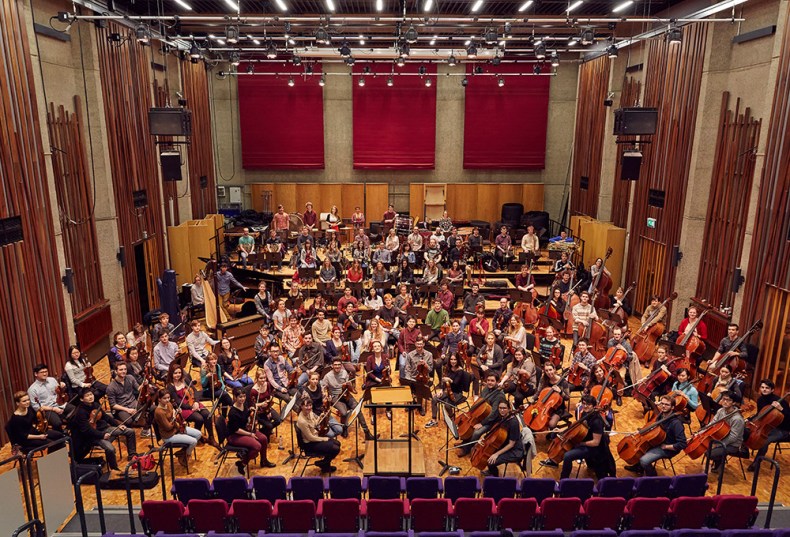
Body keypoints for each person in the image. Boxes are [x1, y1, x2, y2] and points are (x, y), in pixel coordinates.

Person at [71, 388, 137, 470]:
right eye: (87, 396)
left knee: (130, 431)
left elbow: (106, 417)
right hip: (92, 436)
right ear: (81, 399)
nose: (90, 397)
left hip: (104, 429)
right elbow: (87, 430)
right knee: (110, 449)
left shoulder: (95, 405)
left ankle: (132, 455)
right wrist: (102, 435)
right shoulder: (80, 412)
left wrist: (118, 424)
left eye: (91, 394)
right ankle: (114, 470)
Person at [623, 394, 687, 475]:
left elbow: (682, 444)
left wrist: (666, 446)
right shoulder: (661, 415)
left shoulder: (676, 423)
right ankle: (639, 468)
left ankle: (653, 478)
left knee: (644, 460)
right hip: (657, 441)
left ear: (672, 407)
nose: (663, 406)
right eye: (662, 403)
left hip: (667, 447)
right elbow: (653, 427)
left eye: (667, 405)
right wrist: (640, 432)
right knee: (640, 449)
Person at [556, 395, 615, 479]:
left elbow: (595, 442)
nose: (586, 406)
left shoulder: (597, 421)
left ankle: (563, 480)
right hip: (584, 442)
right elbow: (580, 427)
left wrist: (580, 443)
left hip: (594, 449)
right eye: (584, 403)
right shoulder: (585, 413)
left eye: (589, 404)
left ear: (594, 405)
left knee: (567, 456)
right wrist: (565, 431)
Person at [167, 363, 218, 448]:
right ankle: (196, 437)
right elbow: (179, 402)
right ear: (171, 373)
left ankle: (211, 438)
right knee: (199, 419)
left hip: (193, 402)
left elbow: (195, 391)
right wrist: (191, 407)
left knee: (207, 415)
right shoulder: (170, 386)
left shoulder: (185, 380)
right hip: (183, 408)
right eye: (175, 373)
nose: (177, 375)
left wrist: (197, 402)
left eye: (179, 372)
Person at [322, 358, 375, 439]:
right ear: (332, 366)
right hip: (335, 397)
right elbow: (323, 388)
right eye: (335, 365)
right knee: (344, 413)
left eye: (339, 365)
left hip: (346, 394)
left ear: (341, 365)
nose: (337, 366)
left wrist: (349, 384)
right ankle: (344, 428)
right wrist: (326, 395)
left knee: (358, 409)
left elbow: (348, 385)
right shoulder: (327, 376)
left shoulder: (344, 372)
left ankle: (366, 432)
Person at [227, 388, 276, 475]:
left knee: (264, 439)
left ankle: (263, 460)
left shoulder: (244, 404)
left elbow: (247, 415)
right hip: (235, 435)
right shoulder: (232, 413)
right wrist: (250, 434)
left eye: (244, 396)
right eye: (240, 397)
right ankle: (242, 463)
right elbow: (236, 429)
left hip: (247, 429)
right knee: (257, 446)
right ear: (235, 397)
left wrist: (252, 413)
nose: (242, 399)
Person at [456, 373, 507, 456]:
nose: (489, 382)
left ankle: (467, 449)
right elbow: (479, 400)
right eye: (488, 380)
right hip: (481, 415)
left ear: (497, 382)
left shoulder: (499, 396)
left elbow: (494, 414)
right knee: (468, 425)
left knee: (476, 432)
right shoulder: (486, 388)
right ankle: (464, 442)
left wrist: (482, 423)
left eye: (492, 381)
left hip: (491, 420)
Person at [747, 379, 790, 471]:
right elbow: (760, 414)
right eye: (762, 387)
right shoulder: (760, 400)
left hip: (782, 429)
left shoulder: (780, 401)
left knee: (764, 441)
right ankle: (744, 450)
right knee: (746, 429)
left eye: (767, 388)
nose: (764, 390)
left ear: (772, 390)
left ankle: (756, 463)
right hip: (767, 425)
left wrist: (781, 409)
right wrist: (749, 420)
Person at [153, 389, 202, 467]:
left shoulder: (169, 404)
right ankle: (186, 456)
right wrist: (174, 417)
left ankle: (182, 453)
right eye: (164, 398)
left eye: (168, 397)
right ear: (159, 399)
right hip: (169, 435)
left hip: (176, 429)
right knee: (193, 441)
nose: (167, 400)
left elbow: (175, 415)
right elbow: (168, 427)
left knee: (198, 434)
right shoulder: (159, 412)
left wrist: (178, 413)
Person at [295, 396, 342, 473]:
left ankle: (324, 463)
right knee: (335, 449)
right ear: (301, 406)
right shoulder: (302, 421)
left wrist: (320, 417)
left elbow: (314, 424)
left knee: (338, 443)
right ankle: (324, 464)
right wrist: (324, 439)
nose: (309, 407)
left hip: (315, 438)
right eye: (306, 406)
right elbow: (310, 438)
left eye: (310, 405)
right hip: (309, 444)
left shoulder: (310, 412)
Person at [482, 400, 524, 477]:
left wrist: (496, 454)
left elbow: (511, 444)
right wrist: (484, 439)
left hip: (514, 450)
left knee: (491, 461)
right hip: (504, 443)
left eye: (504, 408)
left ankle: (495, 476)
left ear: (509, 409)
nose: (502, 410)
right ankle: (491, 471)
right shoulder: (502, 417)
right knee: (486, 454)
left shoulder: (513, 423)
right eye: (500, 408)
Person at [425, 353, 467, 428]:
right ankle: (434, 420)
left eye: (455, 359)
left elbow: (456, 384)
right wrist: (441, 390)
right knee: (434, 399)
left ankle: (452, 418)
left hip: (457, 393)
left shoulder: (460, 371)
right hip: (447, 390)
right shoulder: (448, 368)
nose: (453, 361)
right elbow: (443, 381)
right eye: (451, 359)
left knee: (447, 405)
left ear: (457, 360)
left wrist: (449, 380)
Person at [28, 363, 74, 430]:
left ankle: (71, 431)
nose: (45, 374)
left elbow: (59, 393)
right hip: (48, 410)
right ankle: (61, 436)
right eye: (42, 372)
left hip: (59, 404)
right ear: (36, 374)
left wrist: (62, 387)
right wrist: (53, 409)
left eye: (46, 371)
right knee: (57, 423)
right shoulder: (32, 389)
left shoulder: (52, 380)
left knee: (75, 411)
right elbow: (36, 407)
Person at [708, 390, 745, 471]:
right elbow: (712, 424)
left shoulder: (737, 419)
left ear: (734, 403)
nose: (725, 402)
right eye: (723, 399)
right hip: (720, 438)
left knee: (709, 453)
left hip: (732, 445)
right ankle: (719, 463)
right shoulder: (721, 411)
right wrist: (700, 433)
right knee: (705, 448)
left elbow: (733, 438)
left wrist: (718, 444)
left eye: (728, 400)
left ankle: (720, 463)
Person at [107, 362, 148, 431]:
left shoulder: (130, 378)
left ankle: (142, 427)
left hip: (133, 403)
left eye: (125, 369)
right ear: (116, 371)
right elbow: (113, 405)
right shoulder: (111, 387)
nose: (123, 371)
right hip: (122, 408)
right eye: (121, 370)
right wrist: (128, 410)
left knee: (146, 412)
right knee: (129, 421)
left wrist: (143, 385)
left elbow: (138, 389)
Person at [300, 372, 343, 438]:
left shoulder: (320, 387)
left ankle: (329, 441)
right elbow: (307, 411)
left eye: (316, 379)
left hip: (324, 413)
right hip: (315, 416)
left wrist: (328, 400)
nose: (315, 381)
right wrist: (319, 417)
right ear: (309, 380)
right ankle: (326, 441)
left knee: (339, 430)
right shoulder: (306, 392)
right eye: (313, 379)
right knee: (331, 435)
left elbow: (324, 398)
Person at [532, 363, 570, 431]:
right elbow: (538, 392)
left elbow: (567, 398)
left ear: (554, 369)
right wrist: (531, 401)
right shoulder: (543, 379)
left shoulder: (563, 382)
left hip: (557, 407)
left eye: (550, 370)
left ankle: (553, 435)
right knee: (533, 417)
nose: (549, 372)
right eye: (546, 370)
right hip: (543, 404)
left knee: (551, 424)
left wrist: (560, 392)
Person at [402, 338, 434, 414]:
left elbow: (430, 369)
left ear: (423, 344)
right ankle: (412, 402)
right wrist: (408, 379)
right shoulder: (410, 355)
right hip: (412, 377)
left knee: (420, 385)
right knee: (407, 383)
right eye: (418, 344)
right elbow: (407, 368)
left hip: (424, 378)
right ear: (415, 344)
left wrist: (426, 365)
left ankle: (419, 405)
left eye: (421, 344)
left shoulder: (429, 355)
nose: (419, 345)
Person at [247, 368, 282, 439]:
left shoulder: (268, 385)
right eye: (261, 378)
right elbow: (252, 405)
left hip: (267, 408)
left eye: (264, 378)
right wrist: (262, 404)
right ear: (257, 378)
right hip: (259, 412)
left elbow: (270, 396)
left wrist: (268, 408)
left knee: (278, 420)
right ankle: (265, 431)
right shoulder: (254, 390)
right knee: (269, 426)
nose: (263, 380)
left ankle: (263, 431)